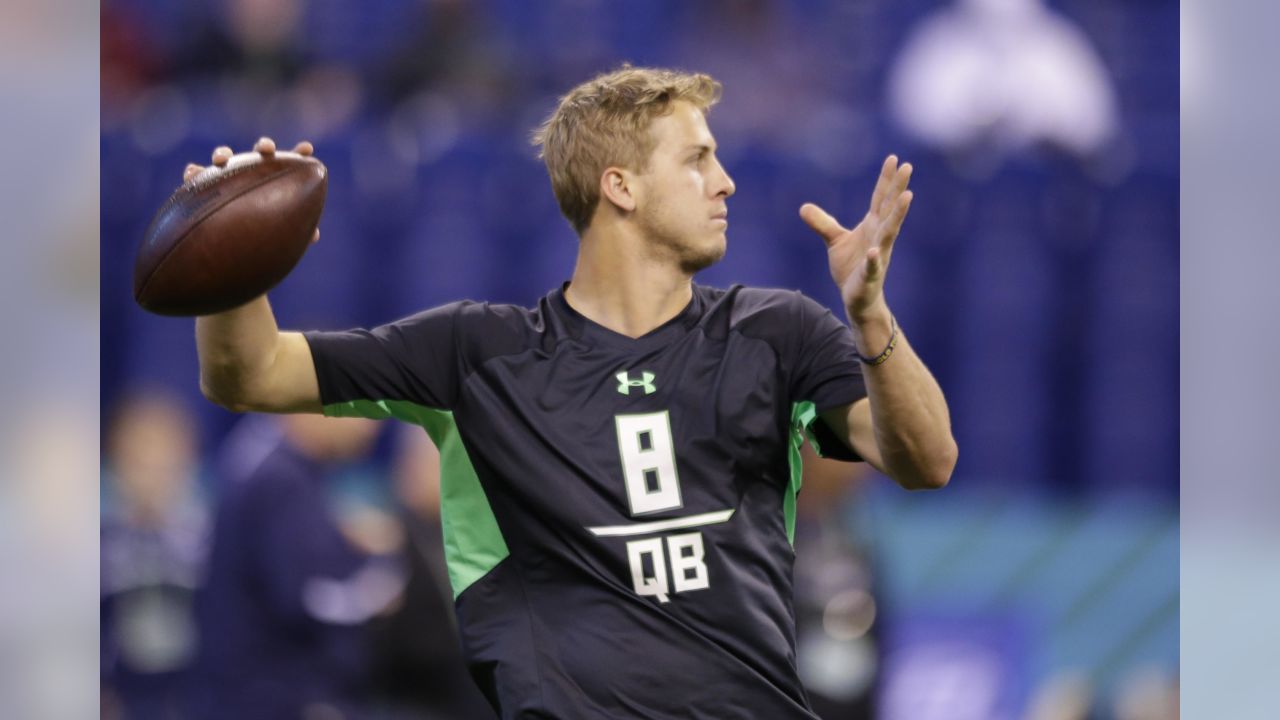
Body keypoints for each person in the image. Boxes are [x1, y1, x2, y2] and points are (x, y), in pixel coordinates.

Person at [186, 66, 957, 719]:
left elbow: (926, 461)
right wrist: (229, 259)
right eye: (696, 159)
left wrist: (870, 317)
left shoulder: (778, 331)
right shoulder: (473, 356)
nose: (724, 181)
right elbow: (247, 374)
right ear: (618, 185)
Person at [189, 412, 401, 718]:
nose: (371, 426)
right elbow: (310, 601)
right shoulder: (282, 479)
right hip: (274, 699)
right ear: (312, 405)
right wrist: (382, 582)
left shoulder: (263, 456)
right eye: (361, 409)